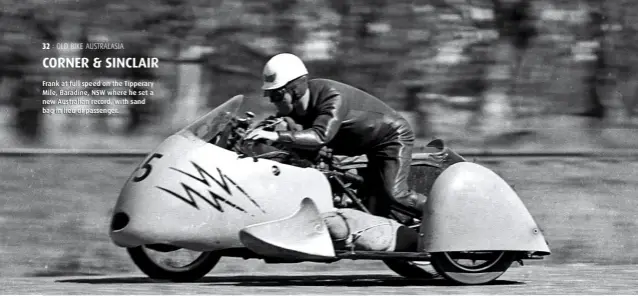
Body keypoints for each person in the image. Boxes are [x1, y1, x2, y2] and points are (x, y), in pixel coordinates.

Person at [246, 53, 427, 217]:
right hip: (363, 143)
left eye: (276, 95)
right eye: (268, 95)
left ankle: (448, 219)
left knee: (395, 195)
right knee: (373, 204)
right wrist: (254, 132)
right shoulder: (294, 109)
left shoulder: (331, 96)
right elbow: (279, 126)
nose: (271, 100)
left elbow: (319, 136)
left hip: (391, 138)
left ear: (295, 90)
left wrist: (277, 137)